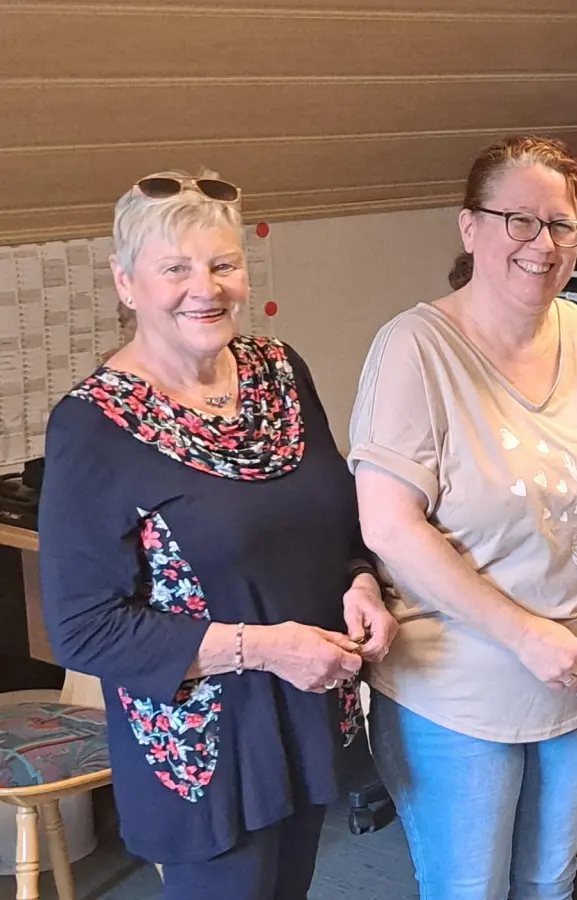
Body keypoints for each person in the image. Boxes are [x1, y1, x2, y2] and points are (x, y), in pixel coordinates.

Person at [38, 170, 397, 897]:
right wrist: (268, 650)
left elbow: (332, 521)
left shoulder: (279, 372)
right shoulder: (93, 424)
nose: (205, 288)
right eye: (175, 268)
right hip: (203, 748)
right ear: (126, 282)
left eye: (222, 264)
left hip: (306, 709)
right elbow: (83, 629)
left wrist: (363, 583)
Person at [350, 136, 577, 898]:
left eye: (561, 226)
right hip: (461, 688)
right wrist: (525, 635)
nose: (541, 244)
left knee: (551, 882)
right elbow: (389, 527)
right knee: (471, 889)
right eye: (518, 220)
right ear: (469, 227)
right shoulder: (414, 350)